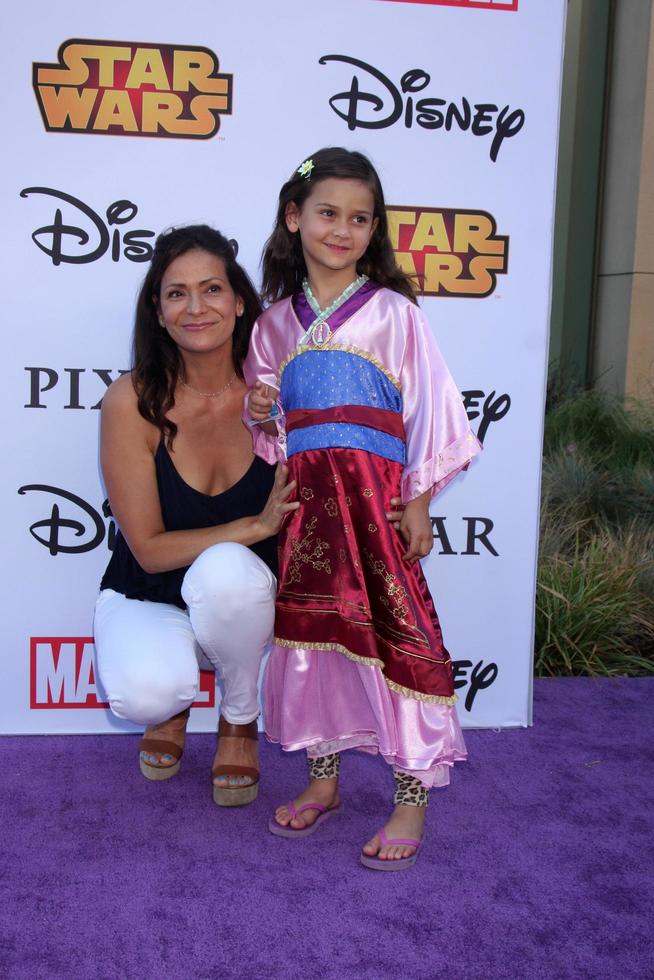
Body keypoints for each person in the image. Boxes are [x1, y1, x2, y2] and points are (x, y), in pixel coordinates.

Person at [244, 147, 482, 868]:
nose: (341, 230)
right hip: (311, 514)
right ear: (295, 218)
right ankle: (325, 778)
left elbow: (433, 409)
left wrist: (419, 500)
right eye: (326, 214)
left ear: (373, 229)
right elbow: (270, 425)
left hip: (377, 506)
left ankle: (412, 795)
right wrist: (262, 410)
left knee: (395, 637)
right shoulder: (272, 325)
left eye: (358, 218)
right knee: (315, 641)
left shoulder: (395, 315)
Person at [94, 224, 299, 807]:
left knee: (228, 571)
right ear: (158, 312)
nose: (195, 307)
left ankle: (238, 717)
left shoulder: (280, 394)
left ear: (239, 302)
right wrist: (253, 528)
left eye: (211, 289)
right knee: (144, 694)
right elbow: (151, 550)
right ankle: (173, 704)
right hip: (149, 594)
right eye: (176, 293)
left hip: (243, 609)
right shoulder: (131, 400)